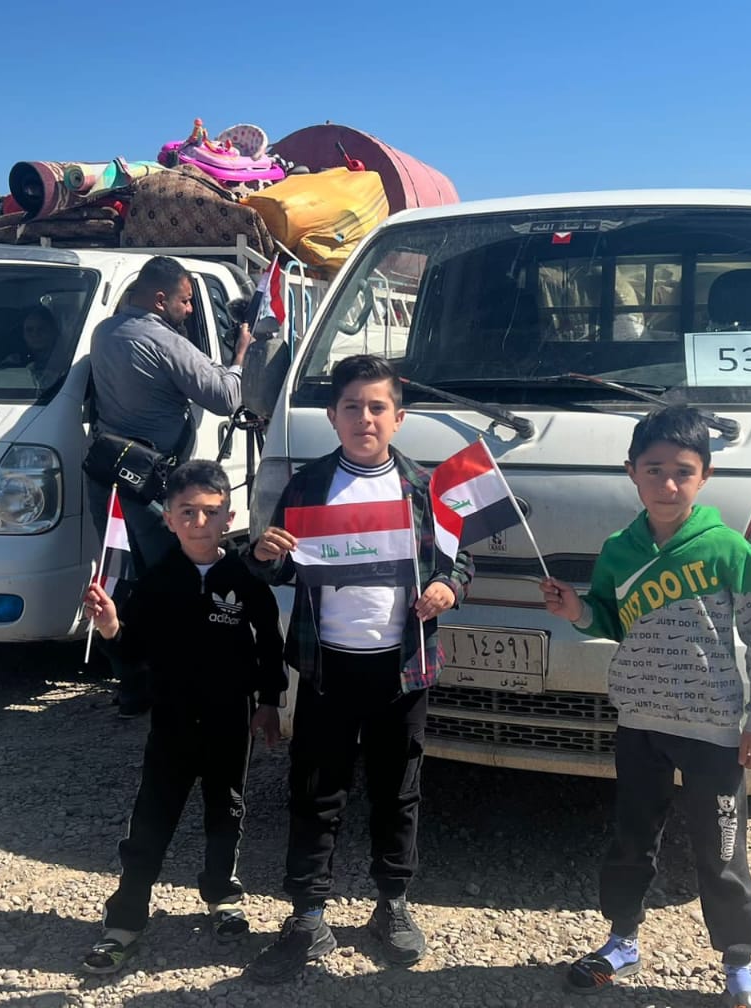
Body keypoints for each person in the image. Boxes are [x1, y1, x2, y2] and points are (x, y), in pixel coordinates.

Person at [243, 354, 473, 984]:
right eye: (352, 406)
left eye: (377, 407)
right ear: (332, 416)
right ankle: (307, 913)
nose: (364, 418)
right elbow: (277, 567)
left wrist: (449, 588)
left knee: (398, 791)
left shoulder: (426, 488)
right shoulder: (309, 485)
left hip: (402, 669)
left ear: (399, 418)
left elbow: (458, 562)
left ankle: (391, 904)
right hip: (327, 668)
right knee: (316, 791)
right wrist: (264, 553)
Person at [540, 405, 751, 1008]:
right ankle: (621, 941)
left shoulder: (728, 549)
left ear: (705, 475)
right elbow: (612, 621)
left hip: (714, 731)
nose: (667, 485)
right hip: (640, 726)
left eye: (682, 471)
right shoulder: (618, 551)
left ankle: (739, 965)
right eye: (654, 470)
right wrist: (576, 610)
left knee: (720, 853)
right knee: (631, 841)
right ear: (632, 472)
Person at [78, 459, 285, 975]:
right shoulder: (155, 581)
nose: (198, 522)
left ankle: (222, 896)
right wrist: (111, 628)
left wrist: (269, 701)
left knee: (226, 812)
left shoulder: (245, 576)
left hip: (230, 719)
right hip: (172, 722)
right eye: (187, 512)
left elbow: (269, 642)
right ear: (168, 518)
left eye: (210, 512)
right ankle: (125, 920)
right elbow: (132, 655)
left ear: (229, 517)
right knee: (152, 818)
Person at [88, 255, 253, 717]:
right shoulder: (163, 340)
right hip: (151, 483)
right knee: (171, 579)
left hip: (107, 474)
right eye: (185, 301)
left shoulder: (104, 333)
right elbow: (224, 397)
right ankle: (172, 682)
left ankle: (131, 685)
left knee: (120, 577)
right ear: (160, 299)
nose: (190, 310)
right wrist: (240, 357)